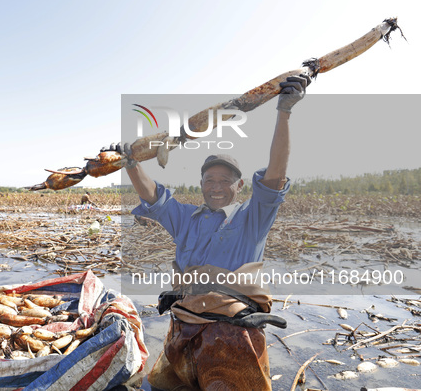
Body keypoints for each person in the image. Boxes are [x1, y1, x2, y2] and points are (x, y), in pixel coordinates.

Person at [106, 75, 310, 390]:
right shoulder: (186, 217)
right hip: (183, 328)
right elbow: (153, 197)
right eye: (209, 180)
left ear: (239, 186)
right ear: (201, 185)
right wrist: (130, 162)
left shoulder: (253, 217)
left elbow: (275, 175)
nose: (216, 188)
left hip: (231, 335)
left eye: (224, 181)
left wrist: (283, 112)